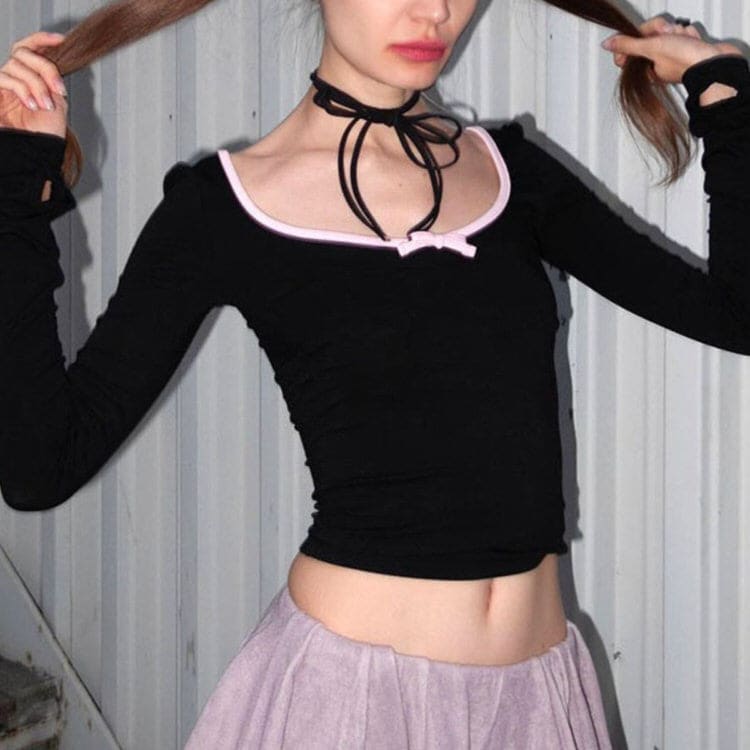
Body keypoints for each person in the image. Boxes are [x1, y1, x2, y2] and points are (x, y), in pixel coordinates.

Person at [1, 0, 748, 747]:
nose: (437, 10)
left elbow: (734, 316)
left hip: (537, 704)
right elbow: (41, 467)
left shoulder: (511, 173)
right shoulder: (224, 208)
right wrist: (15, 191)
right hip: (352, 707)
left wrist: (722, 91)